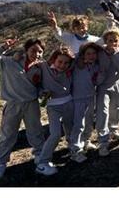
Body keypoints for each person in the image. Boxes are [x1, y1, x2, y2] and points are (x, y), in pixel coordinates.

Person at [0, 38, 44, 180]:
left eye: (40, 51)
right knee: (8, 135)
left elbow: (43, 84)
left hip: (31, 104)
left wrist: (42, 91)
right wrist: (3, 47)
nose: (36, 54)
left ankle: (40, 157)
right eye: (33, 50)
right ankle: (1, 163)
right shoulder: (9, 62)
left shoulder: (41, 67)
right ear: (26, 50)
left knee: (36, 131)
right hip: (13, 104)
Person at [36, 47, 75, 176]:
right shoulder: (43, 67)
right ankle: (43, 162)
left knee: (70, 129)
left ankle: (73, 149)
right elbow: (37, 83)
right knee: (55, 134)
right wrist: (42, 92)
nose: (62, 65)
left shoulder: (71, 69)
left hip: (69, 103)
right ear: (54, 59)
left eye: (66, 63)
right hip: (53, 106)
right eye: (59, 62)